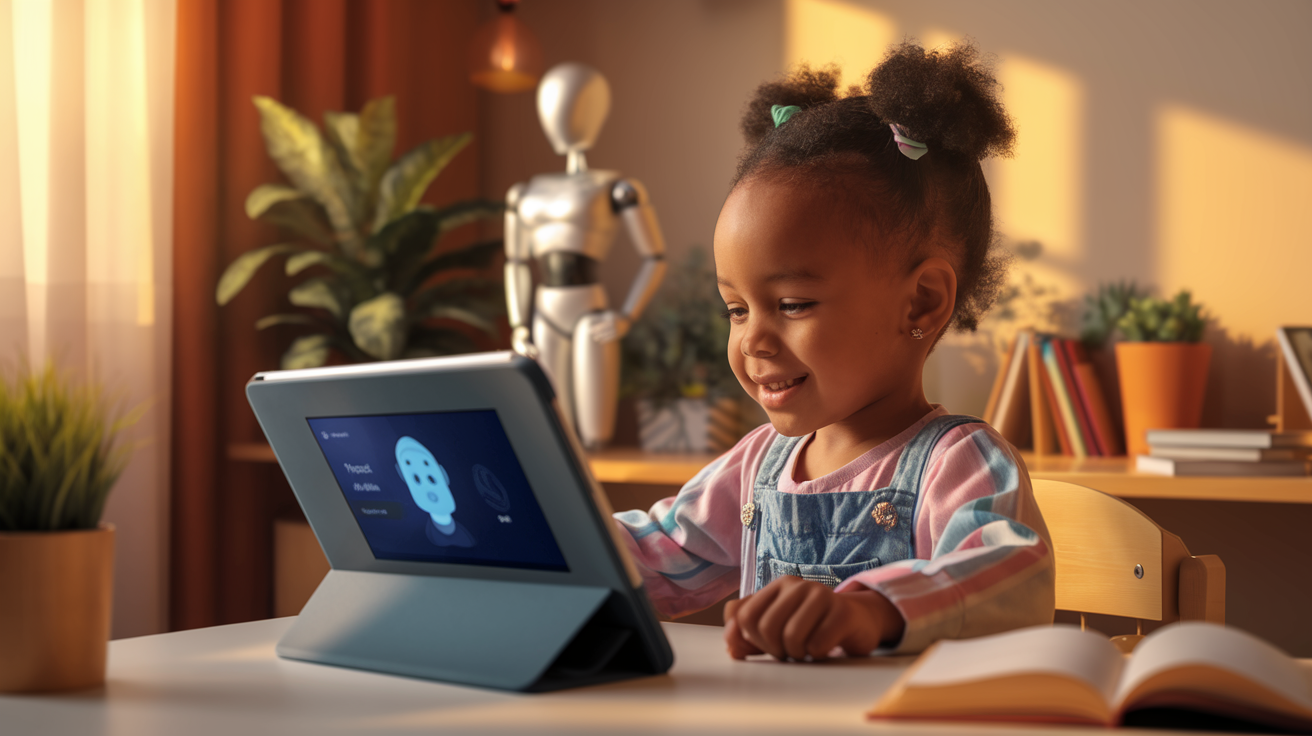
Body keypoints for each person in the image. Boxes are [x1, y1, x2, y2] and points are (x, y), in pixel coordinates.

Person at [613, 40, 1055, 662]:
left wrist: (870, 609)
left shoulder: (957, 463)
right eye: (736, 309)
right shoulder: (757, 466)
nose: (752, 340)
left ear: (921, 303)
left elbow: (1008, 575)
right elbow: (657, 556)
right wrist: (549, 540)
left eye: (792, 304)